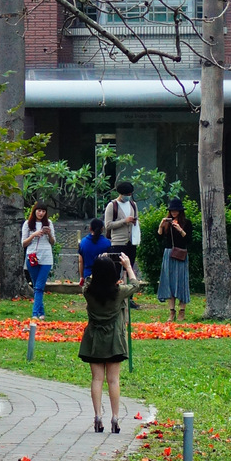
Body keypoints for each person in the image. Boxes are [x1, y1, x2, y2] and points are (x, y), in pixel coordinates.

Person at [78, 251, 142, 433]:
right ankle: (115, 417)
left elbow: (88, 280)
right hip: (114, 339)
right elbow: (135, 285)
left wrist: (99, 260)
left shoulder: (88, 292)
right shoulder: (119, 292)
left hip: (94, 339)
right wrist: (128, 266)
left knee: (97, 379)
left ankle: (97, 416)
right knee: (113, 380)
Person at [104, 180, 140, 307]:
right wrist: (124, 221)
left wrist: (135, 223)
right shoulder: (112, 205)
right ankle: (113, 296)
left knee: (129, 269)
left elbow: (136, 220)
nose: (128, 196)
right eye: (127, 194)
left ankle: (129, 298)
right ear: (121, 193)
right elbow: (108, 225)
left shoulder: (133, 205)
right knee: (115, 270)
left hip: (131, 242)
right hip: (118, 242)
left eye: (130, 194)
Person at [156, 198, 192, 321]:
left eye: (176, 210)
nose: (174, 213)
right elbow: (159, 239)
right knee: (169, 282)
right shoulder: (167, 223)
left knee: (181, 281)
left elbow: (189, 240)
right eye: (172, 210)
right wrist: (161, 226)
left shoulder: (187, 223)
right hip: (168, 254)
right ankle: (172, 311)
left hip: (180, 253)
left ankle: (182, 310)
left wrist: (180, 229)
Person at [21, 202, 56, 319]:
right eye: (39, 210)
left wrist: (49, 234)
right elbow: (24, 243)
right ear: (34, 211)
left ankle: (35, 313)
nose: (41, 213)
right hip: (32, 256)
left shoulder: (49, 223)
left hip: (46, 257)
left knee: (39, 286)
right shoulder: (27, 224)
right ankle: (41, 313)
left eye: (43, 211)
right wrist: (34, 235)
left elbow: (53, 242)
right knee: (37, 286)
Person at [77, 218, 112, 287]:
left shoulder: (83, 242)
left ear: (90, 228)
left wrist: (81, 277)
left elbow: (81, 261)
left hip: (88, 275)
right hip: (104, 275)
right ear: (102, 229)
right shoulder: (107, 243)